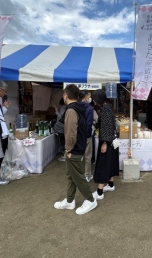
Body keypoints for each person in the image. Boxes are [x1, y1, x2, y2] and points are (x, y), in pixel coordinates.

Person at [54, 84, 97, 215]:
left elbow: (70, 132)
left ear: (65, 96)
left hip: (74, 149)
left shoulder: (71, 110)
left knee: (77, 176)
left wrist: (68, 149)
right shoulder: (81, 108)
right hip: (79, 146)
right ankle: (69, 200)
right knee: (71, 175)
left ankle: (90, 200)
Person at [91, 89, 120, 201]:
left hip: (107, 142)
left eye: (94, 98)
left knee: (103, 165)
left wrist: (104, 143)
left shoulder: (105, 110)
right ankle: (111, 185)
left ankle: (99, 192)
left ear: (97, 99)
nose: (93, 100)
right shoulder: (106, 108)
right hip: (111, 142)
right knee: (110, 162)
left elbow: (107, 128)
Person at [79, 90, 94, 182]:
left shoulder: (75, 106)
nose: (90, 98)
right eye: (89, 96)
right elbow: (89, 123)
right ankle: (87, 175)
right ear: (86, 97)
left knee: (77, 155)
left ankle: (77, 175)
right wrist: (87, 134)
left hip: (77, 134)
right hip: (86, 135)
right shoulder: (89, 108)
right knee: (87, 156)